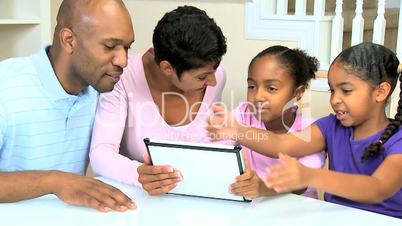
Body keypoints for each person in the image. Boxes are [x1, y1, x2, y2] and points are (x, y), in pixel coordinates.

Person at [207, 42, 402, 218]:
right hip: (335, 218)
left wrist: (310, 175)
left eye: (346, 91)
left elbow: (378, 188)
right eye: (332, 90)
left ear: (380, 92)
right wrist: (238, 130)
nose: (335, 99)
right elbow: (281, 144)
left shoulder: (398, 139)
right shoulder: (329, 126)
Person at [0, 0, 136, 212]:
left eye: (127, 47)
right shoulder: (6, 86)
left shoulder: (101, 90)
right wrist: (54, 182)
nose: (123, 60)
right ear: (69, 40)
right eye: (110, 46)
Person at [89, 6, 227, 196]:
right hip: (141, 199)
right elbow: (100, 154)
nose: (213, 81)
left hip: (199, 197)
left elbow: (213, 143)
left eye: (214, 71)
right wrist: (139, 175)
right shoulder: (122, 79)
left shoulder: (215, 76)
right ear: (167, 68)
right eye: (202, 77)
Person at [227, 46, 325, 199]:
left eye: (271, 88)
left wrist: (263, 187)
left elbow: (301, 182)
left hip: (298, 211)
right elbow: (217, 151)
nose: (258, 96)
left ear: (297, 93)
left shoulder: (312, 129)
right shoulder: (243, 114)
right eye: (252, 86)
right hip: (251, 208)